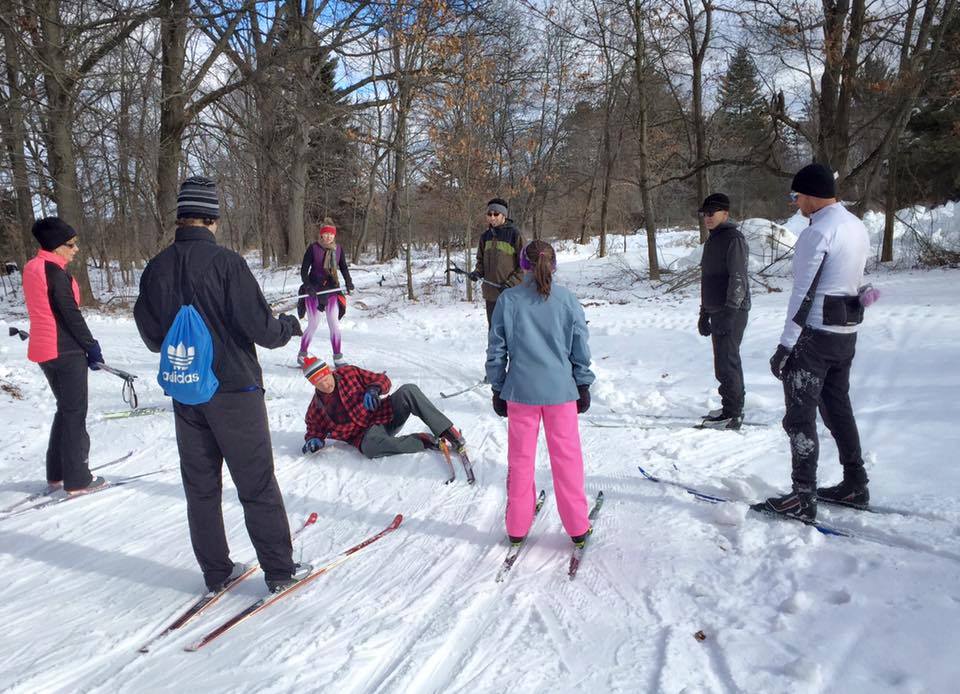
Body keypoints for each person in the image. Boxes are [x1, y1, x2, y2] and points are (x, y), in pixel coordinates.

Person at [134, 175, 309, 594]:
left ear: (180, 217)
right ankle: (280, 571)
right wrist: (287, 326)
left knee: (201, 486)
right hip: (234, 391)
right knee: (256, 482)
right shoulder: (228, 264)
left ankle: (216, 572)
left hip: (187, 389)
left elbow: (152, 334)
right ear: (212, 218)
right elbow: (261, 328)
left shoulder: (156, 267)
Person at [752, 163, 871, 521]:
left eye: (797, 196)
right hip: (845, 334)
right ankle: (855, 482)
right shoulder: (856, 226)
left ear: (812, 196)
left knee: (800, 418)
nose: (795, 203)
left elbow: (802, 294)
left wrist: (786, 346)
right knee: (838, 409)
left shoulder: (818, 233)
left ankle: (803, 496)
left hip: (814, 337)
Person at [485, 239, 595, 547]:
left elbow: (497, 349)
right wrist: (582, 383)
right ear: (554, 264)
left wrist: (497, 386)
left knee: (520, 461)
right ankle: (577, 526)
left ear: (522, 265)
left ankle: (517, 526)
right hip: (561, 393)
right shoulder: (567, 300)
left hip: (521, 393)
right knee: (567, 460)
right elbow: (580, 348)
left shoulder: (509, 300)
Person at [23, 217, 106, 494]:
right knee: (75, 413)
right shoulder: (55, 273)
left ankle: (57, 473)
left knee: (65, 408)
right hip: (64, 348)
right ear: (55, 246)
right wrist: (91, 346)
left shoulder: (33, 267)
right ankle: (78, 479)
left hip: (44, 349)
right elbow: (69, 313)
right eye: (70, 244)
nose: (75, 249)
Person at [301, 356, 466, 460]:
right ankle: (425, 440)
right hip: (366, 436)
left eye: (326, 378)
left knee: (408, 390)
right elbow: (313, 429)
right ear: (313, 384)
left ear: (329, 371)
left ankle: (448, 432)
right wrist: (313, 440)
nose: (326, 384)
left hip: (386, 414)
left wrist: (375, 389)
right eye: (319, 383)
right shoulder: (317, 406)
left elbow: (382, 379)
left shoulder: (349, 373)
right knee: (370, 449)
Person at [697, 193, 751, 430]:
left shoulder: (733, 238)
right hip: (716, 309)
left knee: (728, 361)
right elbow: (708, 277)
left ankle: (734, 412)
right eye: (704, 214)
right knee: (722, 362)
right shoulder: (713, 239)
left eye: (712, 213)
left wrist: (730, 311)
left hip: (732, 310)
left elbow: (738, 277)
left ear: (725, 214)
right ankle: (729, 406)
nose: (707, 218)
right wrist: (703, 312)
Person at [298, 219, 354, 367]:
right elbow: (304, 270)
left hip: (331, 290)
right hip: (314, 291)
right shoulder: (313, 248)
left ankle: (338, 357)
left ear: (334, 235)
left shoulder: (338, 249)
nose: (328, 236)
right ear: (321, 235)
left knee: (334, 324)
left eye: (331, 234)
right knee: (314, 323)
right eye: (326, 233)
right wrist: (308, 286)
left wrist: (348, 282)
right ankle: (302, 354)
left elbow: (343, 268)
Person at [469, 198, 524, 327]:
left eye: (496, 214)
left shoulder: (515, 235)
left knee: (510, 331)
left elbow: (525, 266)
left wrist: (511, 284)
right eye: (489, 214)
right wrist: (477, 272)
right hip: (491, 295)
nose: (492, 217)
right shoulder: (485, 236)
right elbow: (480, 261)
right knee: (494, 331)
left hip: (511, 294)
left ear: (503, 215)